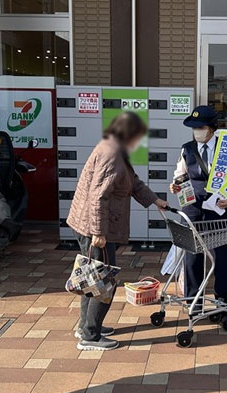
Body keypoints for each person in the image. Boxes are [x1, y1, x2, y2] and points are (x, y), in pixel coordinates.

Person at [67, 111, 168, 351]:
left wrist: (155, 200)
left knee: (91, 278)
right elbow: (98, 196)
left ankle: (87, 326)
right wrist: (99, 233)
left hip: (91, 225)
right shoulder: (112, 154)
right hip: (95, 228)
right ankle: (90, 337)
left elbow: (133, 182)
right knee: (104, 282)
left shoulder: (115, 149)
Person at [169, 105, 227, 309]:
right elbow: (180, 174)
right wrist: (175, 186)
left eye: (201, 127)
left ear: (212, 128)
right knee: (192, 258)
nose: (197, 132)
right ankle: (192, 302)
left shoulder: (226, 148)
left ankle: (224, 301)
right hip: (192, 210)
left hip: (218, 210)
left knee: (221, 258)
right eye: (194, 128)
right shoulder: (187, 148)